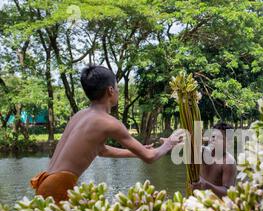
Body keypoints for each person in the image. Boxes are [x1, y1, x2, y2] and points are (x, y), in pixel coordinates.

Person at [30, 65, 182, 203]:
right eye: (117, 87)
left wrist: (136, 152)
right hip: (57, 188)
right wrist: (169, 143)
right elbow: (150, 157)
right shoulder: (108, 122)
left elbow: (101, 150)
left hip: (45, 185)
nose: (118, 91)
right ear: (110, 90)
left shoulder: (79, 115)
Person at [191, 123, 237, 197]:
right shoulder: (202, 152)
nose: (214, 139)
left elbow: (228, 192)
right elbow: (191, 147)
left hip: (217, 204)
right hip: (199, 199)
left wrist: (206, 185)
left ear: (228, 143)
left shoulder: (228, 162)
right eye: (213, 136)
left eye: (219, 138)